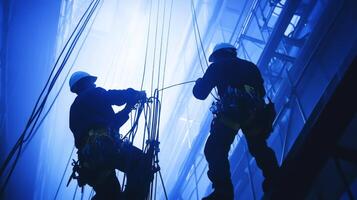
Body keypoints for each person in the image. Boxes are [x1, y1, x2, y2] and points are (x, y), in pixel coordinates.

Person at [193, 43, 279, 199]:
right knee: (258, 147)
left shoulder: (217, 66)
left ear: (219, 55)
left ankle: (223, 191)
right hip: (255, 113)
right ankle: (274, 178)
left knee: (215, 149)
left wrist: (199, 82)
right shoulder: (251, 66)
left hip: (231, 113)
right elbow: (262, 92)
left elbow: (200, 93)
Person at [68, 71, 153, 200]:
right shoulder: (92, 94)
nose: (95, 84)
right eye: (92, 81)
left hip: (89, 161)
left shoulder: (74, 109)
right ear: (85, 83)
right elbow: (114, 97)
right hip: (104, 148)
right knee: (141, 163)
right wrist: (135, 94)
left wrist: (128, 109)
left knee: (111, 194)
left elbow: (111, 124)